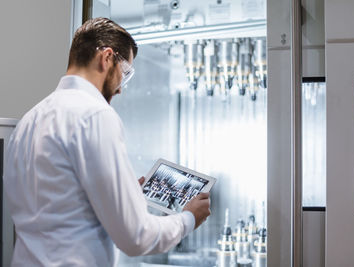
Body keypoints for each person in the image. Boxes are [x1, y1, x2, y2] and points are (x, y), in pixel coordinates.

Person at [3, 17, 211, 266]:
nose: (121, 88)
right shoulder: (95, 115)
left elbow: (57, 207)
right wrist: (188, 219)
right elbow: (136, 237)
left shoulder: (28, 121)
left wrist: (121, 193)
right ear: (107, 58)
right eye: (125, 74)